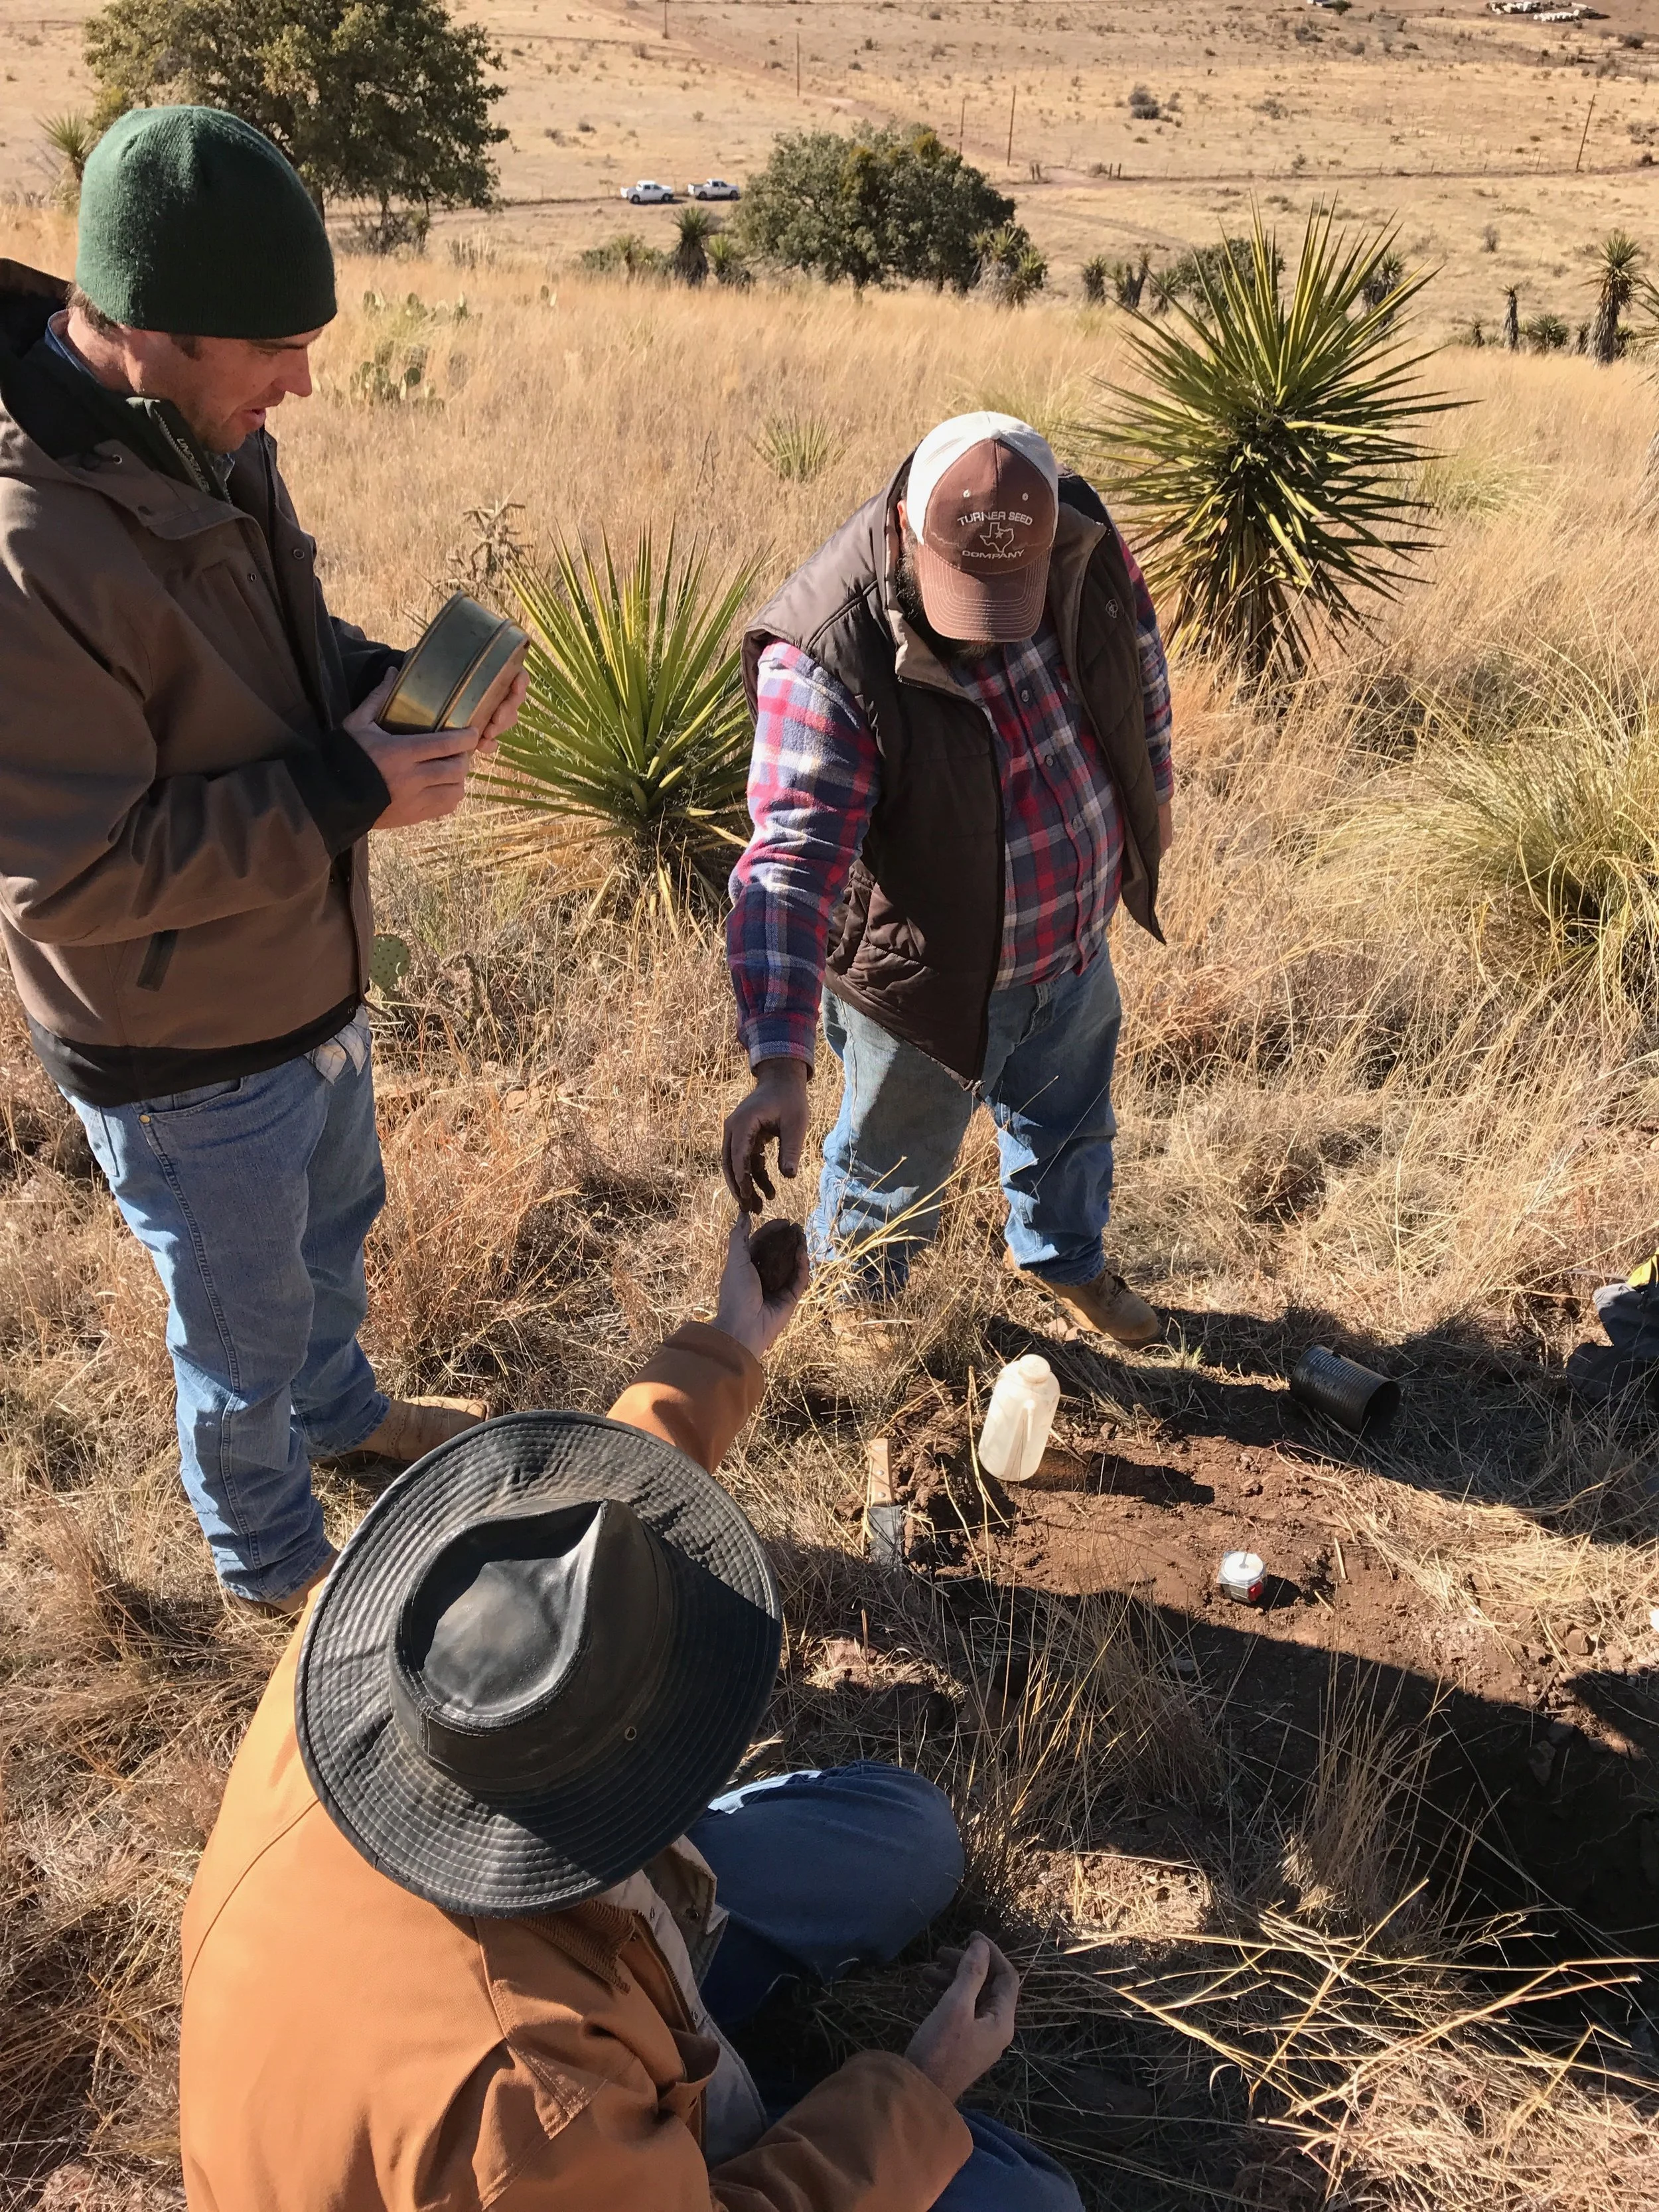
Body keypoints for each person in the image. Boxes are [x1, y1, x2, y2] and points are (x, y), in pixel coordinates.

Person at [178, 1217, 1082, 2212]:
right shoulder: (528, 2107)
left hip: (553, 1979)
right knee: (1029, 2200)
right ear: (594, 1791)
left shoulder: (373, 1651)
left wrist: (733, 1337)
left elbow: (588, 1524)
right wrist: (918, 2088)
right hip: (540, 2142)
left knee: (910, 1840)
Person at [0, 108, 527, 1615]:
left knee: (323, 1245)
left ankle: (344, 1413)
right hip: (178, 1051)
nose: (301, 380)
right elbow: (73, 881)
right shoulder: (28, 550)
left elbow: (277, 659)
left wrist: (393, 676)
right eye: (274, 348)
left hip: (298, 981)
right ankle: (274, 1562)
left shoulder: (200, 436)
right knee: (235, 1333)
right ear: (153, 332)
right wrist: (347, 790)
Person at [721, 412, 1174, 1347]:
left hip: (1073, 943)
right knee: (892, 1161)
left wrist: (1147, 812)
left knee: (1072, 1120)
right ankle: (862, 1310)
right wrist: (779, 1058)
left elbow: (1138, 672)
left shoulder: (1078, 536)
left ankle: (1065, 1259)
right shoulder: (824, 654)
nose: (990, 635)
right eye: (965, 595)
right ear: (905, 526)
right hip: (922, 985)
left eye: (1013, 597)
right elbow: (791, 865)